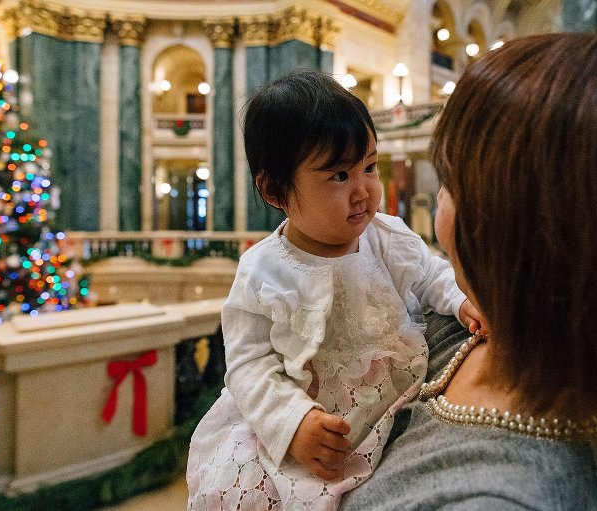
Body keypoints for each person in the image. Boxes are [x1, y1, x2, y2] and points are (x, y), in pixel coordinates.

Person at [342, 32, 597, 510]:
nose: (439, 202)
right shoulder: (491, 332)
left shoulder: (501, 498)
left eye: (451, 183)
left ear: (512, 226)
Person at [186, 69, 481, 510]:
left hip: (391, 404)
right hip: (306, 427)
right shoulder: (262, 270)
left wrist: (460, 302)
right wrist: (292, 422)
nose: (363, 190)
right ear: (274, 190)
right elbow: (248, 365)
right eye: (339, 176)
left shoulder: (387, 237)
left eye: (369, 167)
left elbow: (429, 275)